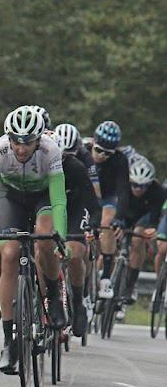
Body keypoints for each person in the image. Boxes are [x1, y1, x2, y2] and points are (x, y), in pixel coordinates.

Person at [0, 105, 67, 374]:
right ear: (9, 138)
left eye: (27, 142)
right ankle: (8, 342)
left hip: (41, 198)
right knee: (9, 254)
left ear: (39, 139)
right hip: (11, 197)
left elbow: (59, 201)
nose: (21, 148)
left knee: (46, 240)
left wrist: (60, 236)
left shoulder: (51, 151)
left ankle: (51, 295)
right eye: (16, 141)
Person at [53, 124, 102, 336]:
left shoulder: (76, 167)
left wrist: (94, 225)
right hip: (49, 209)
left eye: (64, 158)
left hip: (74, 209)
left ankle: (78, 301)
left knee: (73, 253)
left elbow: (93, 203)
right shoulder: (38, 166)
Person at [114, 157, 165, 319]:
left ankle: (129, 286)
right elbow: (118, 205)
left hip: (143, 217)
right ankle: (104, 277)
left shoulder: (158, 191)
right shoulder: (123, 185)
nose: (138, 189)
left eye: (142, 186)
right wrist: (117, 222)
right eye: (134, 184)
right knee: (110, 237)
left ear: (149, 184)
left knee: (137, 240)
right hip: (124, 213)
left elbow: (156, 215)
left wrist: (152, 229)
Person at [89, 120, 129, 301]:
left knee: (108, 222)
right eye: (98, 150)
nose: (102, 155)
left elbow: (123, 191)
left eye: (107, 153)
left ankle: (105, 276)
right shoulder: (82, 149)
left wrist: (119, 218)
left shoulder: (120, 160)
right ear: (93, 143)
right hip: (85, 195)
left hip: (108, 197)